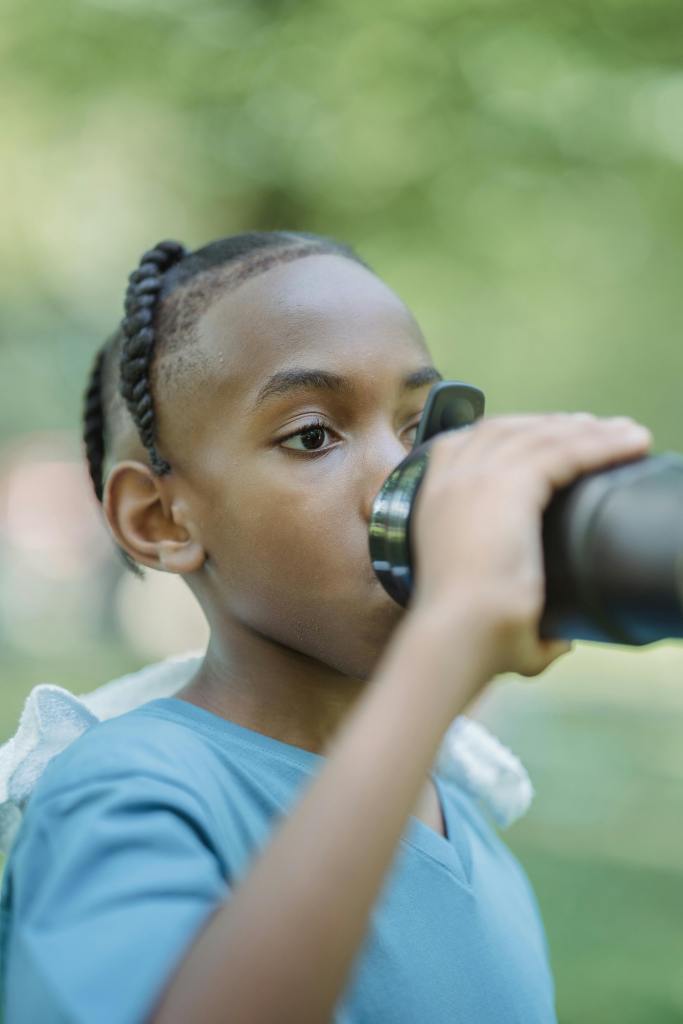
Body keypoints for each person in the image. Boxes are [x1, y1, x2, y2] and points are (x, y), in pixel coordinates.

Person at [0, 232, 652, 1023]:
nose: (401, 478)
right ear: (160, 518)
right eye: (312, 435)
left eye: (419, 428)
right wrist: (445, 647)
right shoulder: (132, 785)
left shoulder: (465, 819)